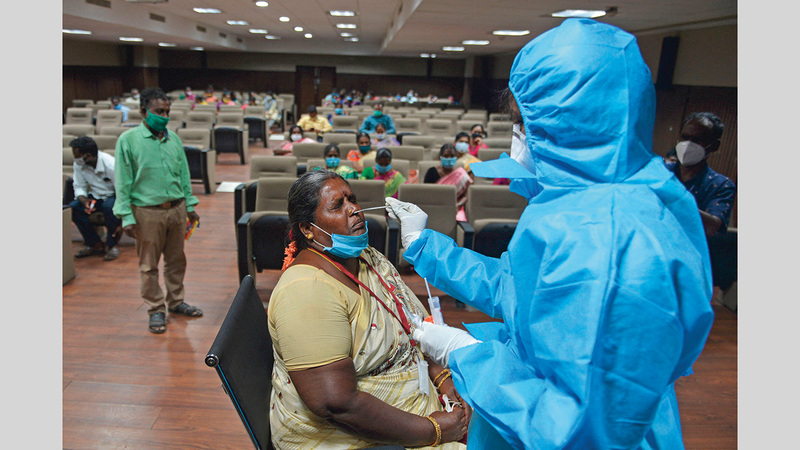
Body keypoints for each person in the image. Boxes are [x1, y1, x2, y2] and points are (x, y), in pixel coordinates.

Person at [384, 18, 715, 449]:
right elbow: (518, 288)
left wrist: (468, 354)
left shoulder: (609, 242)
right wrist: (425, 246)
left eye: (522, 122)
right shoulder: (590, 204)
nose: (518, 137)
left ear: (567, 124)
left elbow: (577, 429)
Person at [269, 170, 468, 449]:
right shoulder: (306, 291)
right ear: (307, 229)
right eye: (337, 206)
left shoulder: (367, 258)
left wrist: (443, 378)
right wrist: (433, 430)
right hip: (346, 437)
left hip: (417, 404)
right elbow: (337, 405)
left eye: (352, 199)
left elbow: (415, 325)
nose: (354, 210)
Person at [113, 87, 204, 335]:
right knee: (148, 265)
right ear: (144, 111)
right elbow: (122, 181)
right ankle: (155, 308)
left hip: (176, 209)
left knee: (176, 260)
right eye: (158, 111)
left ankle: (176, 301)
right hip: (146, 212)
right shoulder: (128, 140)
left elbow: (183, 176)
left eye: (167, 111)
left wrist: (190, 206)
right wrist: (126, 216)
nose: (164, 116)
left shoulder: (174, 139)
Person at [665, 112, 736, 238]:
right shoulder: (661, 171)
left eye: (697, 140)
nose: (688, 144)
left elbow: (712, 227)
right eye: (684, 137)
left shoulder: (721, 185)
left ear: (714, 145)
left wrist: (675, 201)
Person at [69, 136, 123, 261]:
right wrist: (84, 200)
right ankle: (94, 243)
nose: (75, 159)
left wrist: (123, 219)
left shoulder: (111, 164)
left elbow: (121, 191)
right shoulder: (79, 164)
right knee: (73, 207)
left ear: (87, 156)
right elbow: (79, 186)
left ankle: (112, 245)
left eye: (77, 156)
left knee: (109, 207)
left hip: (113, 194)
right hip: (95, 195)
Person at [423, 143, 472, 221]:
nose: (449, 158)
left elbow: (466, 195)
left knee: (460, 219)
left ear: (456, 157)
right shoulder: (431, 172)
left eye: (452, 156)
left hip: (454, 207)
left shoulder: (461, 174)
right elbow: (426, 193)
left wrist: (458, 205)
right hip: (434, 206)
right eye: (446, 156)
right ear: (440, 157)